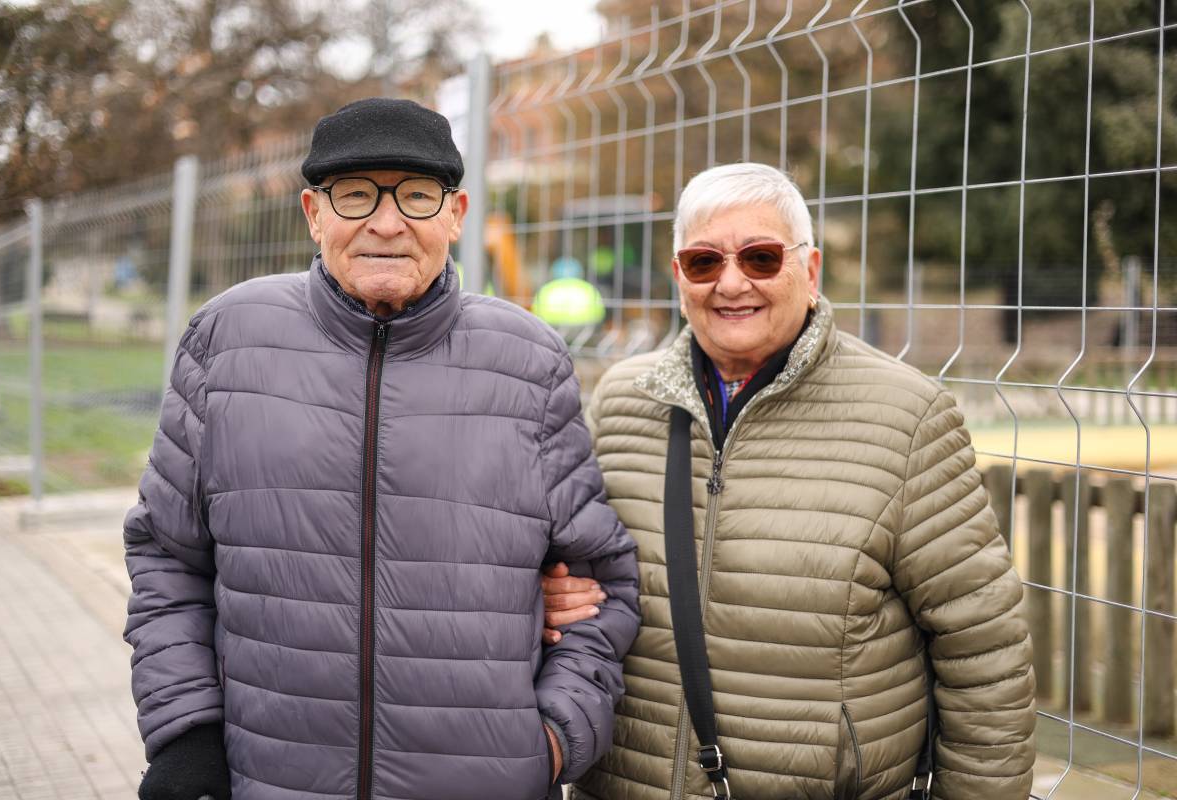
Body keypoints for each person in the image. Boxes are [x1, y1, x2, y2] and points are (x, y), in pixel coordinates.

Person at [123, 97, 640, 800]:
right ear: (314, 213)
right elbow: (166, 555)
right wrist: (186, 735)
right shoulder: (226, 341)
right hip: (270, 781)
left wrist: (549, 743)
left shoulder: (530, 362)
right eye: (356, 194)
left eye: (417, 195)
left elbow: (601, 583)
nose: (388, 222)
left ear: (456, 215)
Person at [544, 162, 1036, 799]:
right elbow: (567, 570)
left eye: (761, 257)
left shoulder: (906, 417)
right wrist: (550, 595)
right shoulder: (621, 402)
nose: (731, 283)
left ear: (811, 270)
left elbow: (983, 649)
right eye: (703, 262)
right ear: (678, 276)